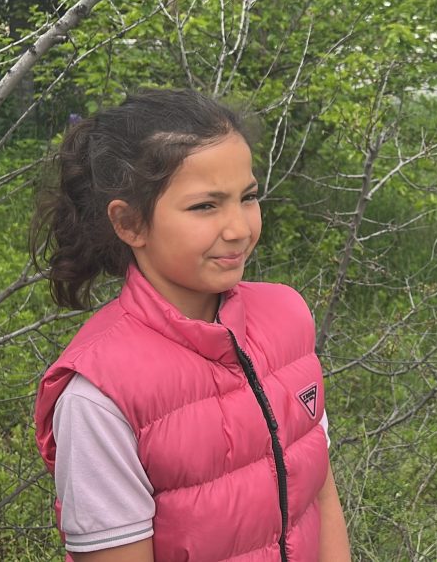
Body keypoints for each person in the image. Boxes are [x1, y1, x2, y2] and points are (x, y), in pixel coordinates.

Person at [31, 89, 351, 561]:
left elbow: (319, 492)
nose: (239, 228)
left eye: (248, 197)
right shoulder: (100, 396)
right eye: (206, 206)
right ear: (130, 223)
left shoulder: (287, 319)